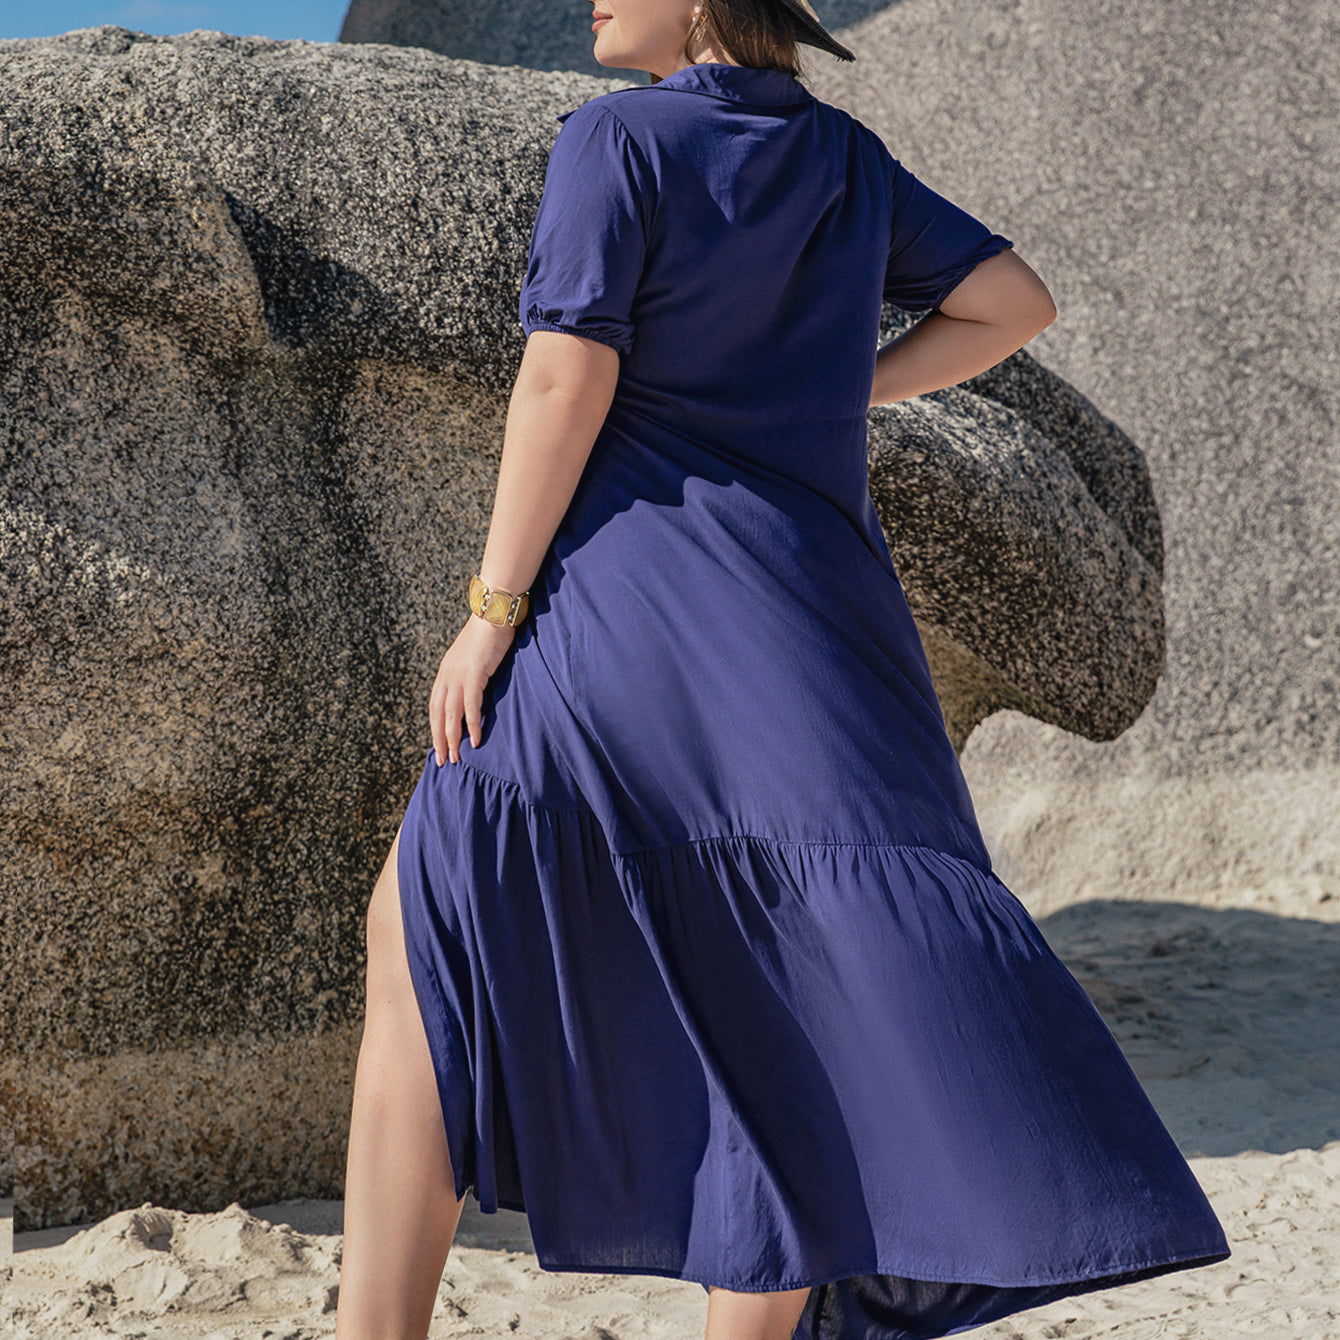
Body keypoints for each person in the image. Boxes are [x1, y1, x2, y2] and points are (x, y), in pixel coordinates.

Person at [335, 0, 1232, 1336]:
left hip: (632, 615)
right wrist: (833, 389)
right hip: (820, 632)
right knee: (789, 989)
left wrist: (492, 606)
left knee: (423, 923)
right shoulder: (844, 159)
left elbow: (562, 383)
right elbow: (1011, 303)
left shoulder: (618, 141)